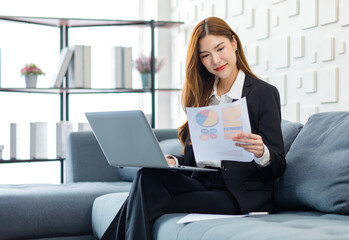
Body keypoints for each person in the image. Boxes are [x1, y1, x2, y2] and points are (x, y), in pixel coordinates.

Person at [101, 17, 286, 240]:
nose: (215, 60)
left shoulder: (263, 93)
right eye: (205, 55)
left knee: (145, 199)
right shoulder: (203, 95)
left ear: (234, 42)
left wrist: (261, 152)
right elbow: (196, 158)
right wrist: (174, 161)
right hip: (201, 182)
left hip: (238, 194)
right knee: (147, 176)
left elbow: (277, 167)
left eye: (220, 49)